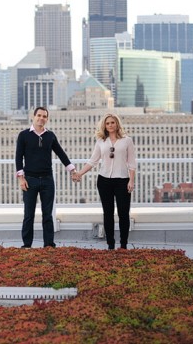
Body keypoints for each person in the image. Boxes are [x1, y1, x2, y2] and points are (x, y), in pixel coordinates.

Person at [15, 107, 77, 248]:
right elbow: (18, 158)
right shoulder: (24, 135)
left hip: (48, 180)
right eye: (39, 115)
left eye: (44, 116)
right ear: (33, 116)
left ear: (47, 119)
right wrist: (21, 178)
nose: (41, 118)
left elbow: (61, 154)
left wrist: (72, 170)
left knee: (47, 215)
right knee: (28, 215)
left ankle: (49, 245)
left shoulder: (50, 136)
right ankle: (27, 245)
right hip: (30, 180)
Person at [74, 113, 136, 249]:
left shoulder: (127, 140)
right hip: (104, 181)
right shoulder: (101, 141)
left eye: (112, 122)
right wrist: (79, 173)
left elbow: (131, 163)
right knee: (107, 213)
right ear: (104, 126)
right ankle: (110, 245)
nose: (110, 125)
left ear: (117, 124)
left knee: (123, 213)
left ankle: (124, 245)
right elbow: (93, 161)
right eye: (107, 123)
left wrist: (131, 181)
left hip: (122, 180)